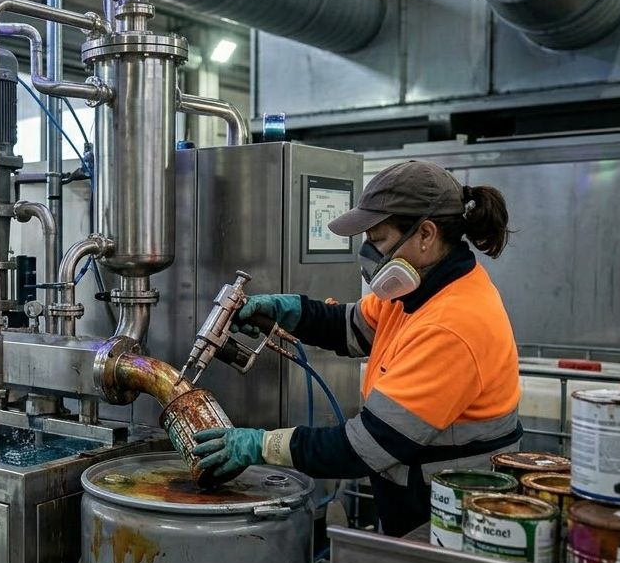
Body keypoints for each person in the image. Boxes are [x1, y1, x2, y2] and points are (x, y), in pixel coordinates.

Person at [193, 159, 522, 537]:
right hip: (416, 505)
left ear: (426, 235)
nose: (368, 254)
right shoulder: (416, 291)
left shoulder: (452, 324)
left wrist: (260, 444)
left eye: (378, 240)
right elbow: (351, 326)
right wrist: (286, 310)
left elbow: (365, 446)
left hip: (450, 523)